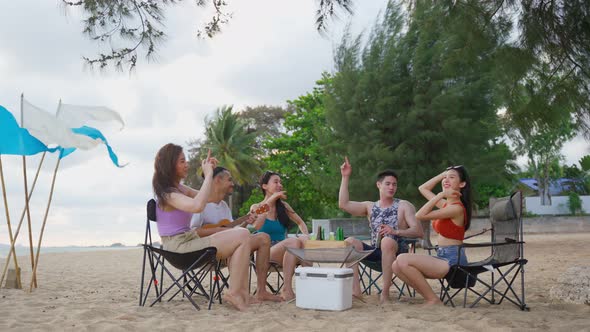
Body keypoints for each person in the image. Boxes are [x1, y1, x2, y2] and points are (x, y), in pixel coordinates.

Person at [152, 143, 251, 311]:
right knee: (241, 235)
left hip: (189, 240)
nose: (187, 164)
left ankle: (239, 292)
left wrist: (211, 174)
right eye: (182, 161)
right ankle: (235, 292)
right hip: (179, 248)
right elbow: (198, 206)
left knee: (243, 234)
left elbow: (209, 198)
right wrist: (208, 175)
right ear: (170, 165)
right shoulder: (168, 194)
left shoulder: (179, 188)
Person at [190, 166, 281, 302]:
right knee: (237, 244)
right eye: (230, 180)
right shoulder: (201, 203)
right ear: (218, 181)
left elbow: (235, 231)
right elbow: (193, 232)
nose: (233, 183)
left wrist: (247, 222)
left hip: (227, 248)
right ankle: (237, 292)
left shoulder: (224, 207)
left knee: (263, 238)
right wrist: (220, 231)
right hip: (205, 252)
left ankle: (261, 291)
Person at [338, 156, 423, 303]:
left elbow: (418, 231)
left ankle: (385, 293)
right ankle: (356, 292)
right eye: (388, 184)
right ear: (378, 185)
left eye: (394, 184)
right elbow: (343, 204)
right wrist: (345, 177)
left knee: (387, 242)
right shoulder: (370, 206)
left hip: (398, 253)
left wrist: (395, 231)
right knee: (350, 241)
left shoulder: (404, 205)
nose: (391, 187)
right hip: (375, 253)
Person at [391, 165, 472, 305]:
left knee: (402, 259)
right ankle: (429, 297)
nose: (446, 180)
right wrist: (444, 175)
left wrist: (441, 194)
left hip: (453, 261)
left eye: (452, 177)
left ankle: (433, 300)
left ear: (462, 184)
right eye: (445, 178)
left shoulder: (456, 208)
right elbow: (423, 188)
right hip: (442, 256)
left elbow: (420, 215)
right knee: (396, 266)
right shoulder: (446, 205)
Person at [250, 171, 309, 301]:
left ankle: (311, 286)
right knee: (293, 242)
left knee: (303, 243)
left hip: (285, 252)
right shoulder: (257, 207)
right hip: (264, 253)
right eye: (276, 182)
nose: (280, 185)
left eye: (280, 182)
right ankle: (286, 289)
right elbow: (257, 226)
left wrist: (306, 235)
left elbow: (300, 222)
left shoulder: (284, 207)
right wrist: (271, 200)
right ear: (264, 186)